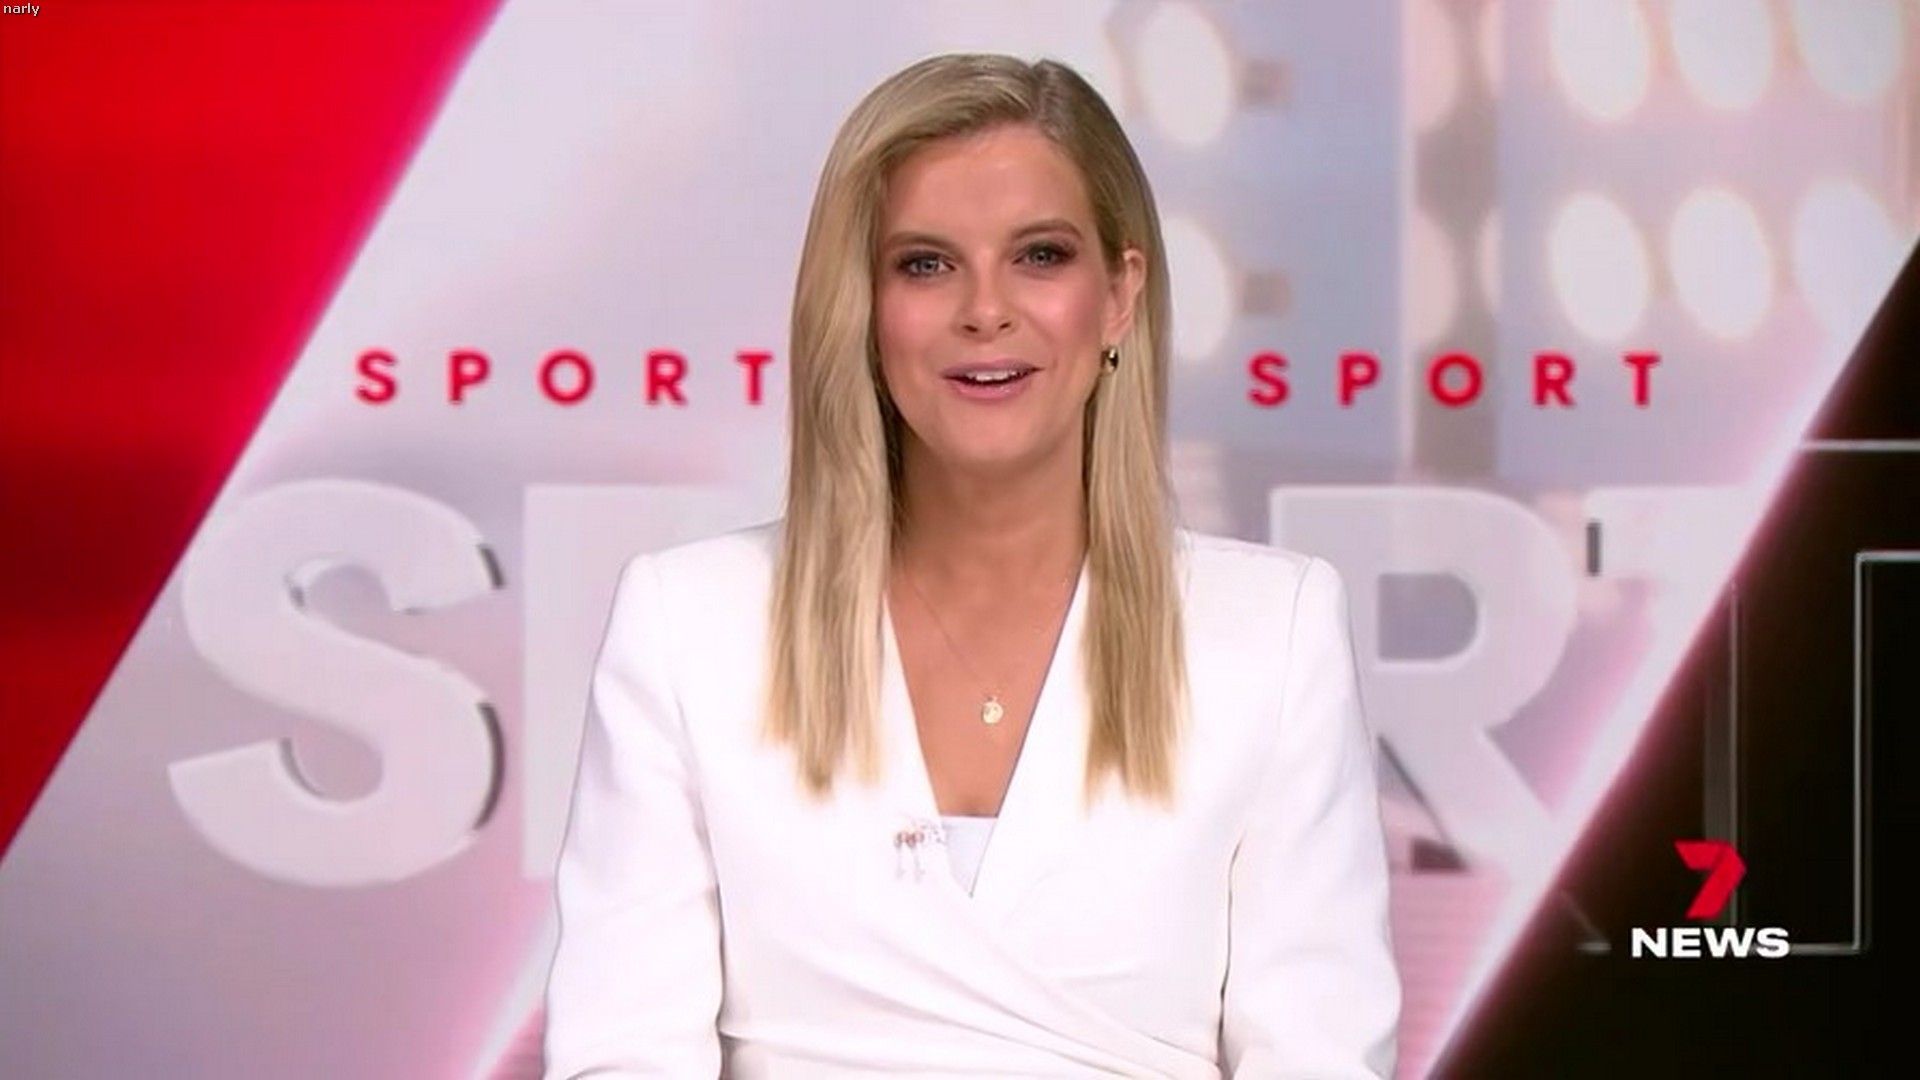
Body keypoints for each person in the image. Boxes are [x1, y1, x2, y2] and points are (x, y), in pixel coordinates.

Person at [542, 52, 1400, 1078]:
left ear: (1119, 295)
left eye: (1040, 256)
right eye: (925, 264)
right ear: (861, 307)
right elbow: (621, 1053)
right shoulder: (689, 623)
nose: (985, 310)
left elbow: (1319, 1055)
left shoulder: (1275, 629)